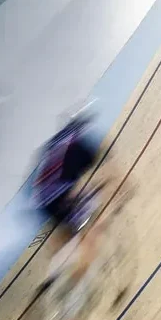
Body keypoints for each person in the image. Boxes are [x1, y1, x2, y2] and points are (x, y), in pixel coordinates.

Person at [30, 105, 102, 283]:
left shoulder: (52, 143)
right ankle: (78, 286)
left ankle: (51, 275)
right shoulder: (81, 144)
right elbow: (101, 172)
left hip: (41, 201)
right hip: (62, 197)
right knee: (89, 232)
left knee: (62, 234)